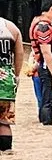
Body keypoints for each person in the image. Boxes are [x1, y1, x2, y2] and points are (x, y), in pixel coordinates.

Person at [0, 17, 24, 152]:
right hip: (6, 80)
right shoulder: (11, 27)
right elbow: (19, 54)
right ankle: (7, 151)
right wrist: (16, 76)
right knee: (4, 120)